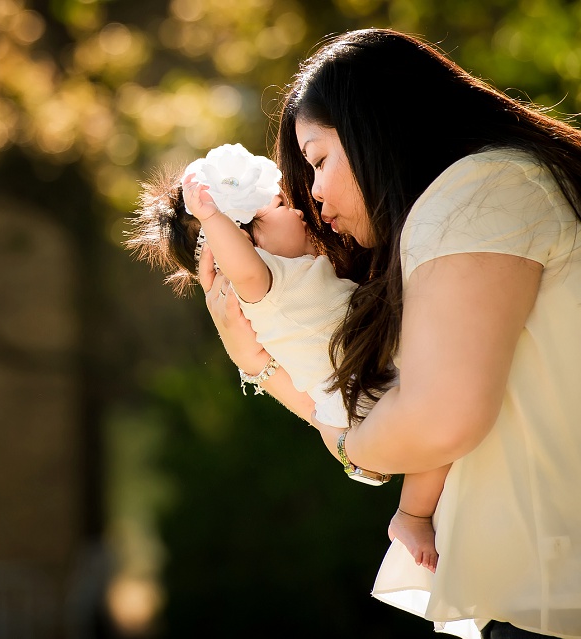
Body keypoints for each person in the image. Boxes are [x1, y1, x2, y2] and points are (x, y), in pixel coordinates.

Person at [200, 28, 581, 639]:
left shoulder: (479, 191)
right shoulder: (485, 193)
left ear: (376, 124)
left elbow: (435, 423)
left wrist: (354, 447)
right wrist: (260, 366)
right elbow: (403, 431)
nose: (315, 195)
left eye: (319, 159)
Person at [126, 143, 444, 573]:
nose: (298, 209)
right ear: (246, 240)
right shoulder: (264, 285)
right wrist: (211, 216)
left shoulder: (293, 271)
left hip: (366, 377)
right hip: (360, 392)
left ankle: (413, 515)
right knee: (438, 428)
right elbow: (241, 264)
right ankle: (411, 516)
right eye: (278, 206)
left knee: (439, 430)